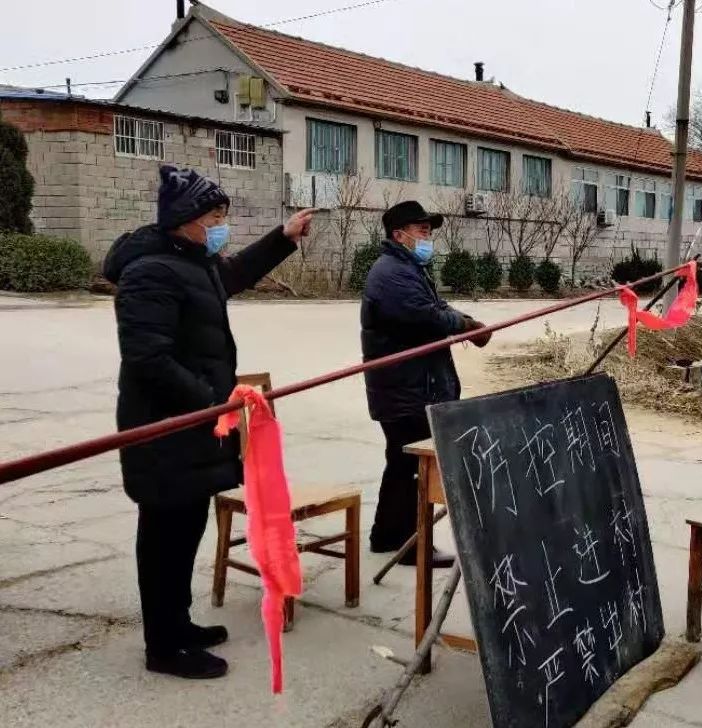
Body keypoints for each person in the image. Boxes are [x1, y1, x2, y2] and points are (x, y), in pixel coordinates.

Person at [104, 165, 316, 679]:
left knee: (186, 529)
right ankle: (163, 647)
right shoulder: (150, 273)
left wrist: (283, 238)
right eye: (215, 217)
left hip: (193, 427)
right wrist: (214, 402)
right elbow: (148, 358)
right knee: (164, 538)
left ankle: (179, 624)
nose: (221, 227)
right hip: (164, 429)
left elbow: (234, 274)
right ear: (186, 219)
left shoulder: (191, 262)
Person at [361, 200, 491, 567]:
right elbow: (426, 315)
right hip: (405, 388)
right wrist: (467, 327)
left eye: (429, 231)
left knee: (400, 462)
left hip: (408, 385)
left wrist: (465, 320)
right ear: (398, 235)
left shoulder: (407, 268)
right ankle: (412, 545)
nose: (427, 237)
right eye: (421, 230)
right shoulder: (392, 273)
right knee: (415, 466)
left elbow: (438, 306)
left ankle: (386, 535)